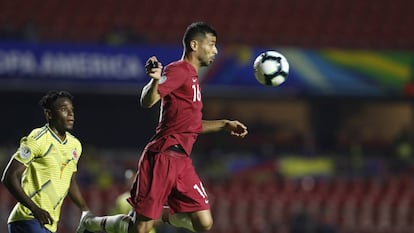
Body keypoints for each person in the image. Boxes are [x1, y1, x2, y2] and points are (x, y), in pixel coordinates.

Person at [76, 22, 248, 233]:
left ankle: (152, 215)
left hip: (182, 162)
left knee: (204, 222)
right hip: (163, 157)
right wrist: (155, 81)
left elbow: (190, 126)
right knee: (139, 229)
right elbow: (148, 100)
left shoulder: (193, 78)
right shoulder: (179, 70)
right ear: (194, 45)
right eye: (211, 44)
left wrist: (224, 124)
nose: (216, 50)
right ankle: (91, 223)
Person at [1, 90, 90, 233]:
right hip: (28, 218)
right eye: (63, 109)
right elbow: (9, 177)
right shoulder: (38, 138)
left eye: (71, 110)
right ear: (49, 114)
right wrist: (35, 208)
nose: (70, 114)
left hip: (47, 222)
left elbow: (70, 182)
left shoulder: (75, 145)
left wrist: (85, 210)